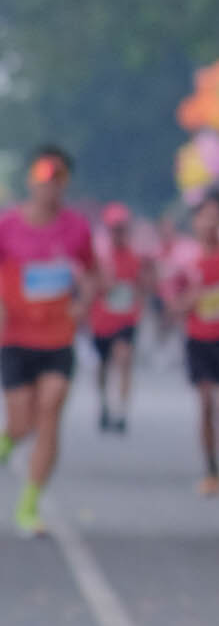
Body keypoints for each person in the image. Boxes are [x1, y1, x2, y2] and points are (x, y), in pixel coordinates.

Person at [0, 145, 96, 533]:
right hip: (16, 337)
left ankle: (29, 504)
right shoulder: (8, 226)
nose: (49, 187)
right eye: (43, 179)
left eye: (58, 180)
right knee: (21, 421)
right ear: (30, 181)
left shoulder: (77, 228)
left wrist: (84, 302)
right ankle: (7, 445)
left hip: (58, 337)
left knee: (50, 409)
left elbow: (93, 273)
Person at [163, 190, 219, 495]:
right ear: (195, 221)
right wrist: (193, 298)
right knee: (205, 404)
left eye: (216, 217)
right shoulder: (182, 259)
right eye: (204, 217)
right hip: (200, 340)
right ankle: (212, 470)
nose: (210, 223)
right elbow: (172, 302)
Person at [88, 203, 148, 433]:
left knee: (124, 359)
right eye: (114, 228)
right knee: (103, 364)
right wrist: (103, 284)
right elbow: (88, 283)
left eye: (122, 228)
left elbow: (144, 285)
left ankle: (122, 411)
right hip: (102, 319)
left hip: (127, 318)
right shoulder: (100, 257)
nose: (118, 233)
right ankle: (103, 404)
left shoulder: (136, 257)